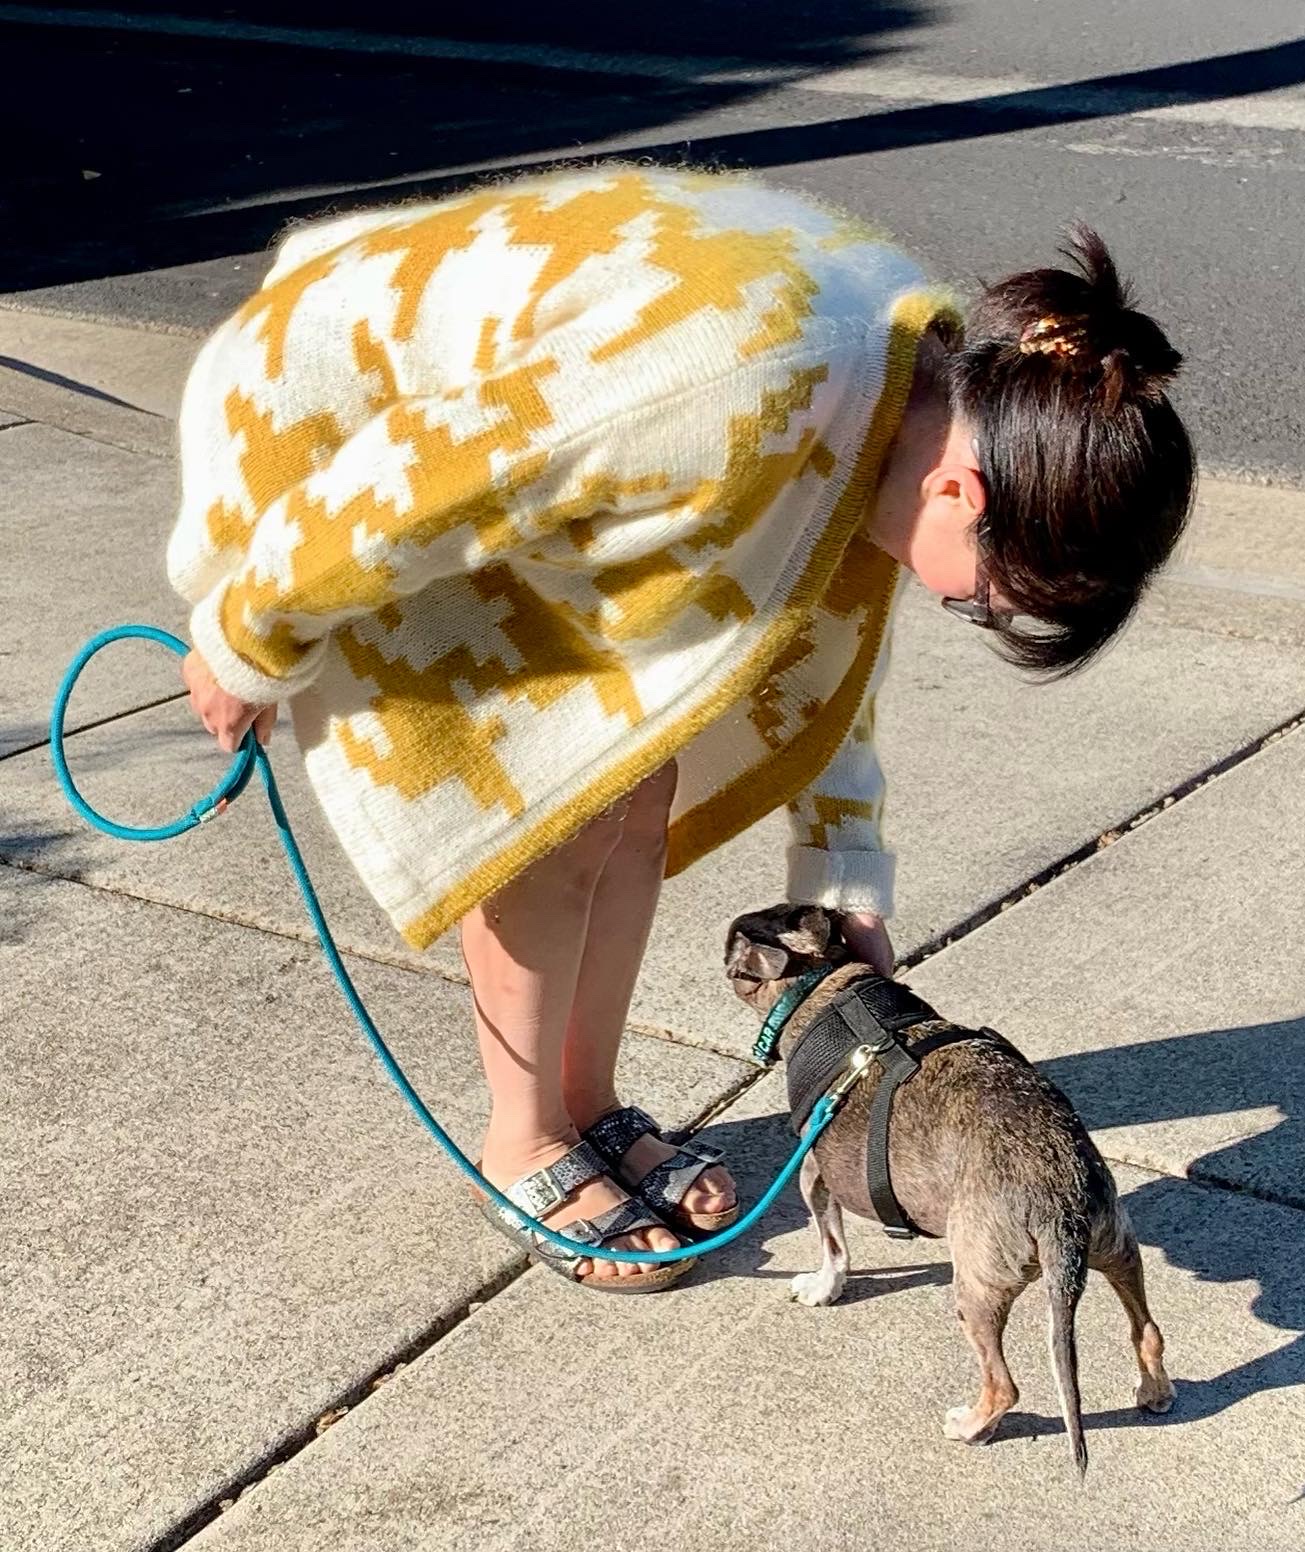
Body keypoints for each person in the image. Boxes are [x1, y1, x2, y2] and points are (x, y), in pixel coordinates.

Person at [170, 163, 1195, 1292]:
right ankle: (524, 1137)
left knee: (637, 787)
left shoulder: (923, 403)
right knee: (546, 813)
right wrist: (247, 633)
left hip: (521, 465)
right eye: (980, 600)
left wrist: (844, 867)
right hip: (335, 422)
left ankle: (586, 1101)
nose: (959, 612)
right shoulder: (731, 379)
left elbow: (834, 639)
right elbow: (426, 474)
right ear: (966, 492)